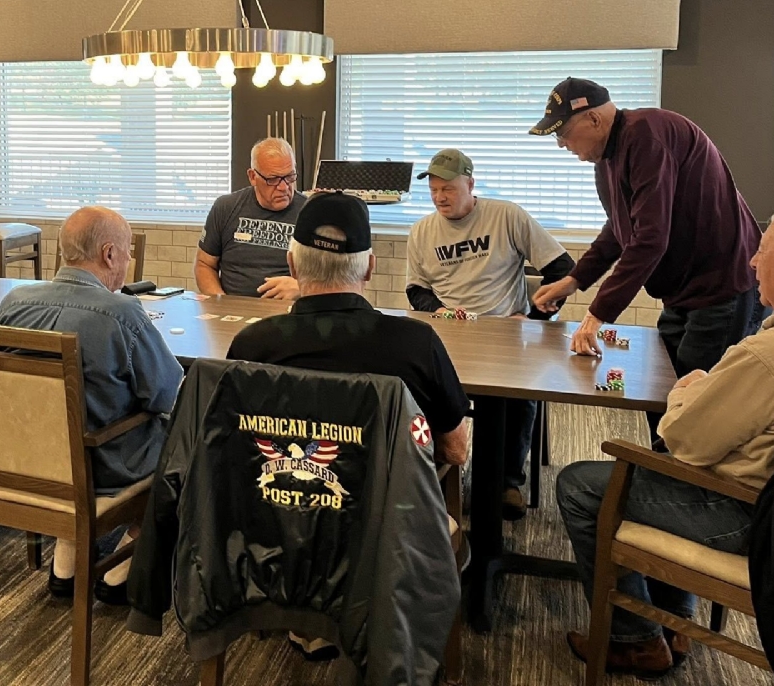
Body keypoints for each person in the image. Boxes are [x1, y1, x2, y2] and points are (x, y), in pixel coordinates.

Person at [557, 204, 774, 678]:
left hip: (751, 516)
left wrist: (686, 390)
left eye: (762, 251)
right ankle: (676, 621)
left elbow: (685, 442)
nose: (752, 262)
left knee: (578, 485)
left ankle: (634, 640)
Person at [227, 191, 471, 662]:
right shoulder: (415, 342)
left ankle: (307, 611)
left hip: (279, 521)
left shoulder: (251, 345)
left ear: (292, 265)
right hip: (386, 533)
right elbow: (454, 451)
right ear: (370, 267)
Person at [0, 205, 183, 605]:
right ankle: (123, 569)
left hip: (21, 460)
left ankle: (69, 558)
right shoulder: (121, 313)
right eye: (128, 252)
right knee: (188, 441)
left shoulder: (14, 302)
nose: (128, 260)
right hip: (101, 466)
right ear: (109, 254)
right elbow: (167, 394)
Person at [529, 79, 763, 382]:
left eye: (562, 133)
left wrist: (595, 316)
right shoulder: (606, 159)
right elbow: (620, 228)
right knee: (666, 381)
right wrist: (574, 280)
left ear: (594, 119)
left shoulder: (647, 135)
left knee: (697, 391)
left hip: (722, 285)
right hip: (683, 290)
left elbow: (650, 239)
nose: (561, 144)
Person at [406, 148, 576, 520]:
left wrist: (533, 318)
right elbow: (416, 290)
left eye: (448, 189)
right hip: (451, 332)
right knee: (415, 384)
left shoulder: (506, 216)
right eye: (434, 190)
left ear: (470, 184)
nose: (440, 197)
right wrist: (439, 310)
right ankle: (435, 472)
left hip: (504, 333)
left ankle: (505, 482)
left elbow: (563, 269)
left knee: (516, 394)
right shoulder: (421, 231)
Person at [196, 137, 305, 302]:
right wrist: (221, 302)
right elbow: (204, 265)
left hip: (290, 312)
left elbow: (334, 281)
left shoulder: (311, 212)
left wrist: (302, 287)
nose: (283, 187)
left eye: (290, 176)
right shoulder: (226, 207)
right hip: (232, 310)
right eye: (273, 179)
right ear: (253, 176)